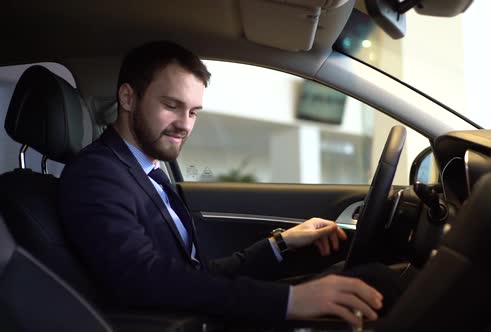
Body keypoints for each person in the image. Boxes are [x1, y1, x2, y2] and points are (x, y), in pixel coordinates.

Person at [59, 41, 388, 327]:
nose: (185, 125)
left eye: (194, 112)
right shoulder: (96, 174)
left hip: (199, 315)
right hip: (174, 322)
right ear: (128, 98)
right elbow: (144, 278)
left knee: (368, 278)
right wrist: (289, 301)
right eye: (171, 106)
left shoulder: (147, 171)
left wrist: (281, 245)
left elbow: (196, 275)